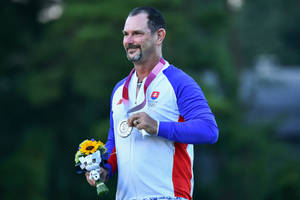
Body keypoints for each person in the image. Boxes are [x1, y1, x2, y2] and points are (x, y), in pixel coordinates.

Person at [86, 6, 219, 200]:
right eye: (126, 34)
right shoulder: (119, 89)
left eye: (137, 34)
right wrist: (104, 168)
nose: (129, 41)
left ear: (159, 36)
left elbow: (209, 130)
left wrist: (157, 127)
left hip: (167, 196)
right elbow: (115, 143)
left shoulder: (179, 82)